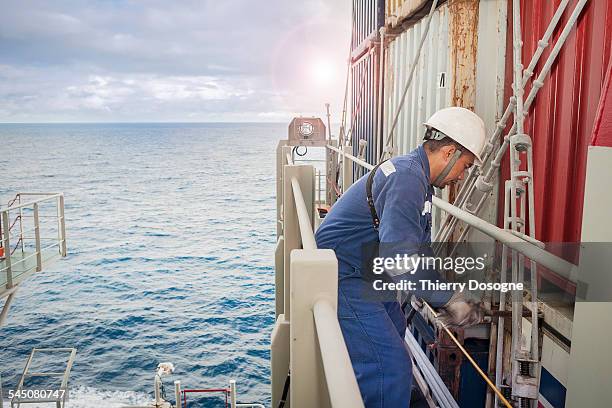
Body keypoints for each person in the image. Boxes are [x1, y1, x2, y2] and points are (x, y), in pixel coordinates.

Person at [315, 107, 488, 407]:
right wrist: (448, 299)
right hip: (342, 272)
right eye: (466, 166)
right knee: (389, 367)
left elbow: (416, 248)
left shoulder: (415, 176)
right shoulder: (408, 179)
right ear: (449, 154)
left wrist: (441, 296)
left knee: (396, 330)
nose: (462, 176)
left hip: (364, 267)